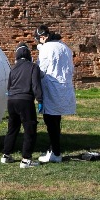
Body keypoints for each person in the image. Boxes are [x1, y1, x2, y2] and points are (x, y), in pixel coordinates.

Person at [33, 24, 76, 163]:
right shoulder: (65, 47)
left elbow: (41, 70)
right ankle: (54, 149)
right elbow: (71, 69)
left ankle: (55, 152)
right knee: (56, 120)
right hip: (64, 87)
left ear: (43, 37)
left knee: (51, 121)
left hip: (51, 88)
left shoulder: (47, 48)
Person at [1, 44, 43, 168]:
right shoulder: (33, 67)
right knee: (30, 129)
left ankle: (6, 154)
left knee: (12, 128)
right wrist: (40, 100)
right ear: (29, 55)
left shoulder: (13, 69)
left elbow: (9, 86)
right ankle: (26, 159)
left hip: (12, 100)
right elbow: (36, 85)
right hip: (25, 100)